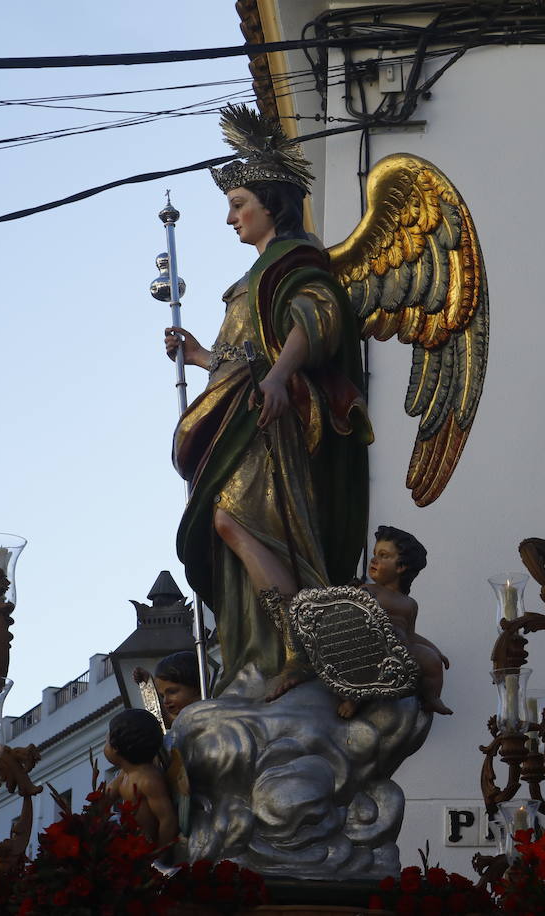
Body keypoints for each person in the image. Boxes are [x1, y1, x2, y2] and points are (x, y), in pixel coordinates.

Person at [166, 105, 370, 701]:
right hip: (244, 415)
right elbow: (246, 355)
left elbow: (316, 317)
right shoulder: (257, 275)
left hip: (272, 423)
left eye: (239, 204)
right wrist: (202, 357)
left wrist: (279, 377)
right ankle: (276, 647)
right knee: (231, 526)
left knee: (236, 522)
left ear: (271, 205)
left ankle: (302, 643)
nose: (231, 217)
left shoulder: (295, 261)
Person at [352, 525, 451, 718]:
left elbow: (411, 635)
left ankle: (432, 697)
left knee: (431, 660)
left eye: (383, 556)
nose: (374, 559)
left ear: (401, 566)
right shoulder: (367, 591)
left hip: (402, 651)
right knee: (365, 665)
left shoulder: (409, 604)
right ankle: (354, 698)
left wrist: (436, 651)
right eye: (375, 554)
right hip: (373, 648)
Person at [104, 709, 178, 848]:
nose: (105, 746)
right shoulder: (124, 774)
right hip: (131, 844)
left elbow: (167, 819)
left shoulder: (147, 780)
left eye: (106, 741)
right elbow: (103, 800)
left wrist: (160, 853)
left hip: (147, 848)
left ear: (116, 747)